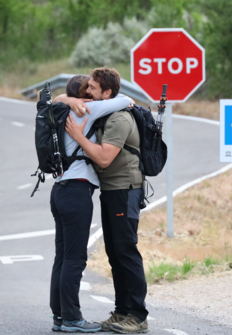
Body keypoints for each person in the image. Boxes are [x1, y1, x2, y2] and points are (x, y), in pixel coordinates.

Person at [63, 67, 149, 334]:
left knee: (126, 252)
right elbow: (55, 99)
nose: (87, 91)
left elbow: (103, 158)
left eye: (92, 88)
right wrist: (68, 99)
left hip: (125, 190)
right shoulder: (108, 112)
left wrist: (77, 136)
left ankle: (137, 316)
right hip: (112, 191)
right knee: (115, 253)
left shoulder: (119, 119)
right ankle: (122, 311)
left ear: (107, 92)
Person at [49, 72, 132, 333]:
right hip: (77, 191)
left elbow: (53, 101)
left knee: (62, 257)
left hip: (59, 189)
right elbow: (125, 99)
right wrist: (76, 99)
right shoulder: (87, 109)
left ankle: (59, 317)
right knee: (74, 259)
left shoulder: (58, 111)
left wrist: (64, 97)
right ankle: (73, 319)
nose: (89, 91)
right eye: (87, 88)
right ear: (81, 94)